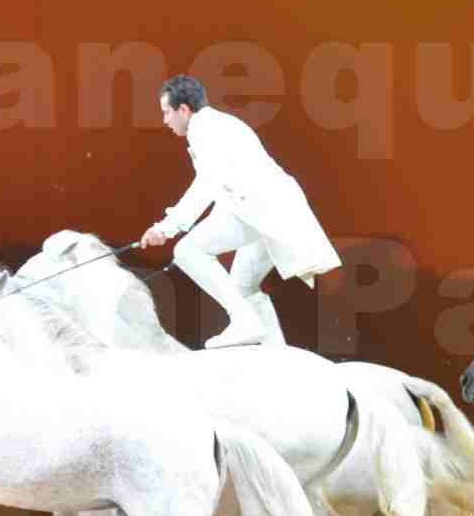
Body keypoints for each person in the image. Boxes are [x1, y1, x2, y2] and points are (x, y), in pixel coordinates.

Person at [139, 75, 341, 348]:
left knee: (187, 251)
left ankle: (243, 321)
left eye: (167, 112)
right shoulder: (220, 125)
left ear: (184, 110)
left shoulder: (204, 129)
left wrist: (166, 228)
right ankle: (277, 354)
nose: (165, 121)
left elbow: (207, 185)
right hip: (271, 212)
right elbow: (224, 193)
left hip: (262, 210)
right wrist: (167, 226)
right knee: (243, 287)